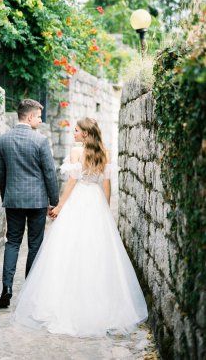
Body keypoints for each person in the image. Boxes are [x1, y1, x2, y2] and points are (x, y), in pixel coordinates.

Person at [14, 117, 148, 337]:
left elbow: (71, 183)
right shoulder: (105, 152)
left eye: (76, 130)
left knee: (69, 249)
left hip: (78, 200)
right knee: (96, 251)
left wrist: (59, 206)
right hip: (95, 201)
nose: (73, 133)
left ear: (85, 134)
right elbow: (106, 185)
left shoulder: (77, 152)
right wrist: (105, 211)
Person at [0, 99, 59, 309]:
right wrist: (54, 201)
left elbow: (1, 174)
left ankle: (6, 288)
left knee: (12, 242)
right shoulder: (40, 141)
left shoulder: (3, 140)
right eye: (39, 117)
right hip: (37, 201)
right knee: (35, 245)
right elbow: (49, 173)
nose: (40, 121)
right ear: (30, 116)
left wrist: (7, 196)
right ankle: (29, 292)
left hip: (13, 199)